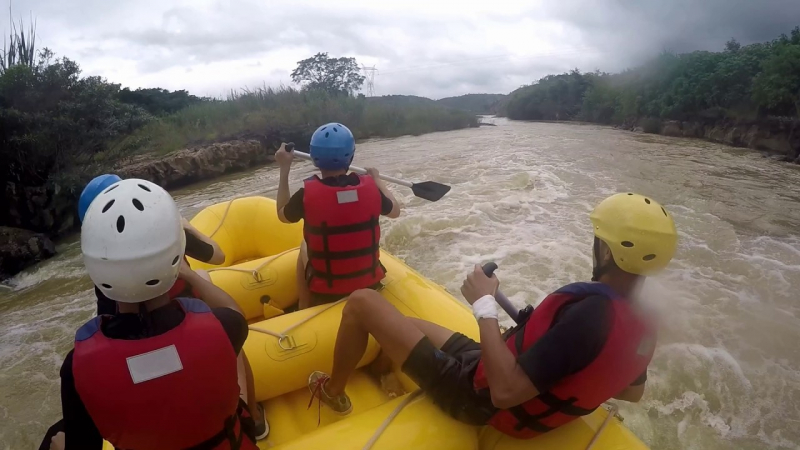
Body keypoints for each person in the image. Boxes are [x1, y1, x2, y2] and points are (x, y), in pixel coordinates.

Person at [307, 192, 677, 440]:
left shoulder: (590, 316)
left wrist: (484, 304)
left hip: (475, 396)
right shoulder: (643, 321)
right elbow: (633, 392)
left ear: (608, 254)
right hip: (493, 367)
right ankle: (388, 371)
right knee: (410, 325)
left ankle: (335, 392)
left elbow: (504, 392)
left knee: (360, 303)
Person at [59, 179, 258, 449]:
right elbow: (235, 312)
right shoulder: (224, 326)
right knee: (233, 349)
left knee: (58, 439)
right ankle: (256, 421)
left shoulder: (77, 367)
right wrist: (189, 271)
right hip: (224, 435)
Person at [275, 123, 401, 310]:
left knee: (303, 245)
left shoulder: (305, 195)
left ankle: (304, 305)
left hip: (327, 293)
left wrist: (284, 168)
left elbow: (282, 214)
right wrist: (377, 180)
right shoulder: (371, 189)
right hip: (370, 285)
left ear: (315, 160)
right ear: (350, 156)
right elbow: (395, 210)